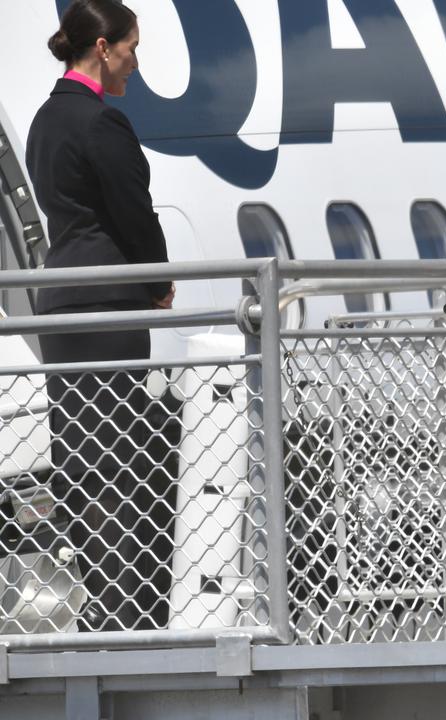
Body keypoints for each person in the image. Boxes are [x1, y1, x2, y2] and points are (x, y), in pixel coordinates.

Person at [26, 0, 173, 631]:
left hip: (60, 300)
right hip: (106, 299)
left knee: (82, 457)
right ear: (105, 47)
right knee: (120, 451)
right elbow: (132, 209)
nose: (135, 65)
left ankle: (99, 595)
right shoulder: (100, 122)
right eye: (133, 49)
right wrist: (159, 280)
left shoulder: (43, 121)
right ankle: (126, 606)